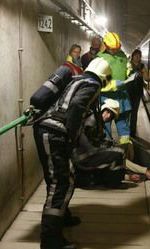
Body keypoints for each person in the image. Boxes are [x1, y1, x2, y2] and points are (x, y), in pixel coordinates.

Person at [32, 57, 111, 249]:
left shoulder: (75, 79)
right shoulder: (92, 85)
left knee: (59, 179)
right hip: (55, 134)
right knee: (61, 184)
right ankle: (50, 241)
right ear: (105, 77)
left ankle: (62, 217)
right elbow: (76, 106)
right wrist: (71, 136)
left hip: (44, 128)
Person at [72, 99, 150, 193]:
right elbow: (110, 161)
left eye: (111, 115)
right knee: (138, 169)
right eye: (108, 112)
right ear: (103, 109)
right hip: (118, 161)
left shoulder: (97, 126)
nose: (108, 117)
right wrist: (139, 172)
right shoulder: (91, 124)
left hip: (127, 156)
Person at [96, 32, 134, 158]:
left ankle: (127, 153)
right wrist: (113, 84)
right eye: (112, 49)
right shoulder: (99, 58)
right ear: (105, 45)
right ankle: (107, 153)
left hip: (121, 96)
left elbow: (127, 68)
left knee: (123, 126)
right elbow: (96, 79)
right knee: (105, 126)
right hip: (106, 98)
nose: (114, 51)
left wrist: (129, 74)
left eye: (116, 49)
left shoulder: (123, 55)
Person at [127, 49, 147, 137]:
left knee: (134, 112)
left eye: (139, 56)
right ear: (132, 56)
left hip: (138, 92)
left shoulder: (143, 66)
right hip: (128, 91)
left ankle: (132, 132)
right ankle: (126, 130)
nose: (137, 57)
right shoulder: (128, 64)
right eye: (136, 55)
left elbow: (146, 78)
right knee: (127, 111)